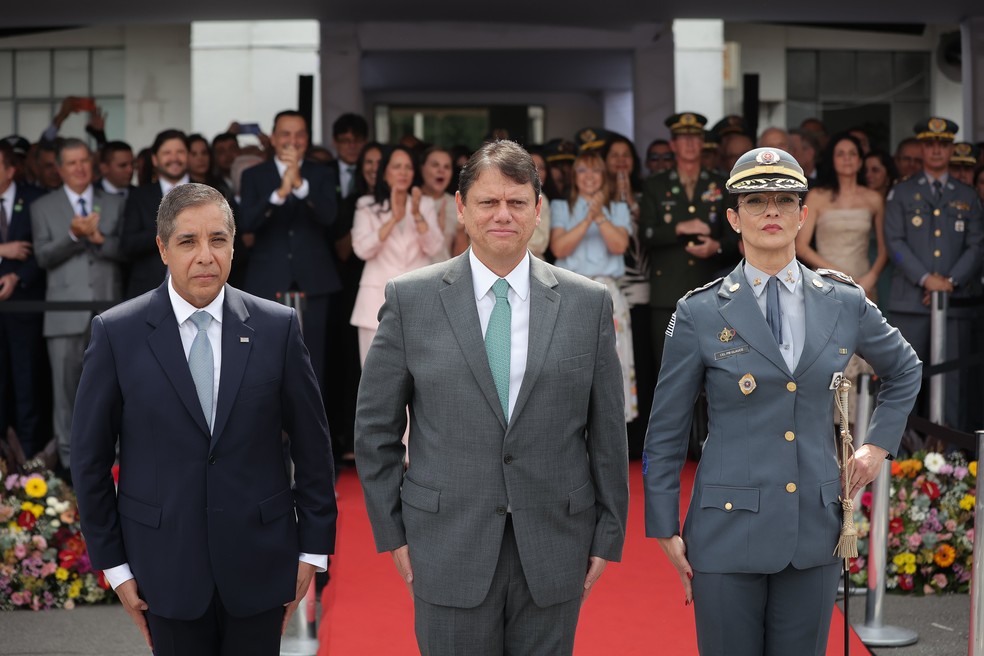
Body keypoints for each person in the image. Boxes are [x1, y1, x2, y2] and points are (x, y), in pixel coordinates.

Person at [643, 146, 922, 656]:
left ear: (802, 215)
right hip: (726, 530)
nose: (771, 211)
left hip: (813, 527)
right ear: (734, 218)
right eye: (756, 201)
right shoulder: (700, 311)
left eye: (784, 200)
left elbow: (905, 369)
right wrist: (664, 525)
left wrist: (876, 447)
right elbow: (665, 428)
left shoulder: (844, 301)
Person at [355, 139, 628, 655]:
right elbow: (375, 431)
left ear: (537, 209)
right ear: (461, 207)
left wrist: (608, 532)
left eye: (517, 202)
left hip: (555, 543)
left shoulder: (587, 303)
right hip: (445, 544)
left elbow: (608, 433)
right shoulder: (409, 299)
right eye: (488, 201)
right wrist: (393, 533)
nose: (503, 214)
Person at [71, 183, 337, 656]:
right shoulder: (117, 333)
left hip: (261, 563)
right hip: (162, 570)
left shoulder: (277, 327)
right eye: (188, 241)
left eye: (218, 239)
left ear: (234, 246)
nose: (205, 256)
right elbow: (89, 461)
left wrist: (313, 551)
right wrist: (114, 566)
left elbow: (313, 448)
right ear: (163, 249)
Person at [884, 117, 983, 432]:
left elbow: (977, 245)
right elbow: (895, 244)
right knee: (904, 380)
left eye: (943, 144)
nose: (937, 150)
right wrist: (927, 280)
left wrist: (949, 283)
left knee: (952, 382)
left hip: (953, 302)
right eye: (930, 144)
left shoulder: (967, 195)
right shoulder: (901, 192)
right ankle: (900, 455)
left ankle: (949, 453)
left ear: (951, 149)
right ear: (922, 148)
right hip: (911, 302)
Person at [31, 138, 124, 473]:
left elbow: (127, 250)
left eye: (84, 160)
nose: (80, 168)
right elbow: (42, 257)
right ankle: (71, 473)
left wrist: (100, 240)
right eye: (71, 163)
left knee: (114, 391)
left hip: (110, 311)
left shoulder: (114, 202)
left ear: (93, 163)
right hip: (63, 314)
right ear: (59, 169)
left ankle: (115, 466)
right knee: (66, 396)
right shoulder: (42, 206)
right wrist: (72, 236)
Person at [238, 110, 339, 391]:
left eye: (299, 134)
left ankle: (312, 419)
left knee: (313, 360)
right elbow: (246, 223)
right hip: (268, 279)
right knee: (265, 358)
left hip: (314, 279)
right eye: (285, 134)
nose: (292, 141)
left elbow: (330, 217)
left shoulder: (322, 173)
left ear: (307, 139)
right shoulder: (253, 175)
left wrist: (301, 187)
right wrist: (279, 194)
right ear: (272, 138)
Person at [639, 112, 737, 373]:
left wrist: (715, 246)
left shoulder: (719, 184)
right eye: (683, 138)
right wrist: (678, 228)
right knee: (668, 369)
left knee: (714, 367)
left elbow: (735, 237)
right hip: (667, 292)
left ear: (703, 143)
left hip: (709, 288)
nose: (690, 143)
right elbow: (645, 234)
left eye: (695, 138)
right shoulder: (655, 185)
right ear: (673, 144)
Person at [550, 146, 637, 423]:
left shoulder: (618, 208)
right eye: (582, 170)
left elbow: (619, 245)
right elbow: (559, 248)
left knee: (612, 358)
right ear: (574, 176)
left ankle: (612, 421)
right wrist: (588, 216)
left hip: (608, 291)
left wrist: (599, 215)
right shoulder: (561, 207)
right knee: (570, 356)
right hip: (570, 290)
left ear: (604, 175)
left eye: (596, 170)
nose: (589, 176)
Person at [350, 145, 443, 364]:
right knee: (375, 373)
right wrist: (394, 219)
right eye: (396, 166)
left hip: (419, 299)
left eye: (408, 167)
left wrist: (416, 215)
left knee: (419, 374)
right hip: (375, 301)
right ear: (384, 172)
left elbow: (435, 248)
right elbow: (362, 249)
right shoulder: (366, 205)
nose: (403, 172)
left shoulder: (424, 204)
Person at [0, 141, 45, 460]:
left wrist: (17, 276)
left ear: (10, 170)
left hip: (26, 305)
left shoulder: (34, 199)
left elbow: (44, 250)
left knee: (27, 384)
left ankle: (28, 461)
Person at [120, 129, 191, 300]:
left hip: (197, 289)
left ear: (188, 156)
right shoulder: (139, 196)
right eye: (167, 153)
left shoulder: (209, 192)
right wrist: (169, 230)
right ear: (155, 159)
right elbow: (127, 245)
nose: (174, 158)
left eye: (180, 152)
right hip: (149, 292)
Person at [419, 146, 468, 262]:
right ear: (422, 168)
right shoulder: (407, 202)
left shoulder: (458, 205)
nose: (441, 171)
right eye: (435, 165)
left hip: (442, 271)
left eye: (446, 167)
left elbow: (461, 260)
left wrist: (460, 232)